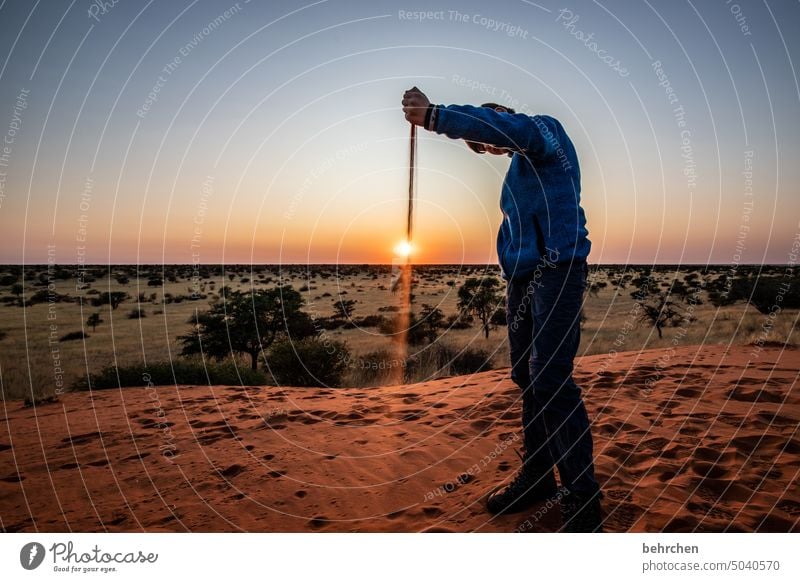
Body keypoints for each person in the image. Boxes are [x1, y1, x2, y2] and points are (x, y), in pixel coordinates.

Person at [401, 87, 603, 533]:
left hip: (559, 270)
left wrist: (433, 115)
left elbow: (499, 127)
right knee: (527, 377)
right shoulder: (518, 167)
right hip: (523, 277)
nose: (488, 149)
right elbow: (489, 133)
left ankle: (583, 501)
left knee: (551, 378)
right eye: (483, 147)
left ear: (505, 120)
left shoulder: (543, 131)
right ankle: (537, 476)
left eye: (490, 139)